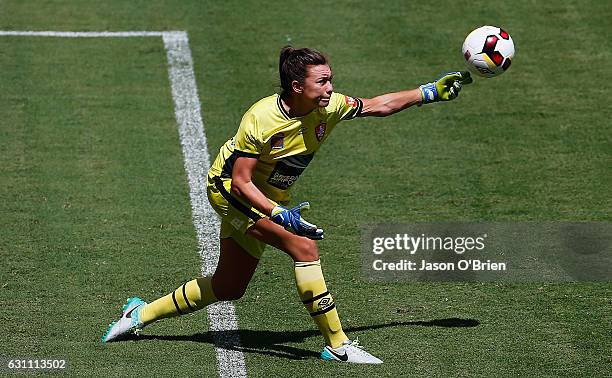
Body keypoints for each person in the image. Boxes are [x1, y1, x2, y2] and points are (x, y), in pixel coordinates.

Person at [102, 46, 472, 364]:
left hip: (269, 196)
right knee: (303, 246)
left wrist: (428, 93)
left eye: (330, 80)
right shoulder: (261, 119)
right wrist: (278, 214)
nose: (330, 88)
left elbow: (377, 105)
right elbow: (242, 180)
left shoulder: (329, 108)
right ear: (297, 87)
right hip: (231, 190)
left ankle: (139, 313)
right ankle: (338, 345)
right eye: (322, 82)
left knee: (229, 286)